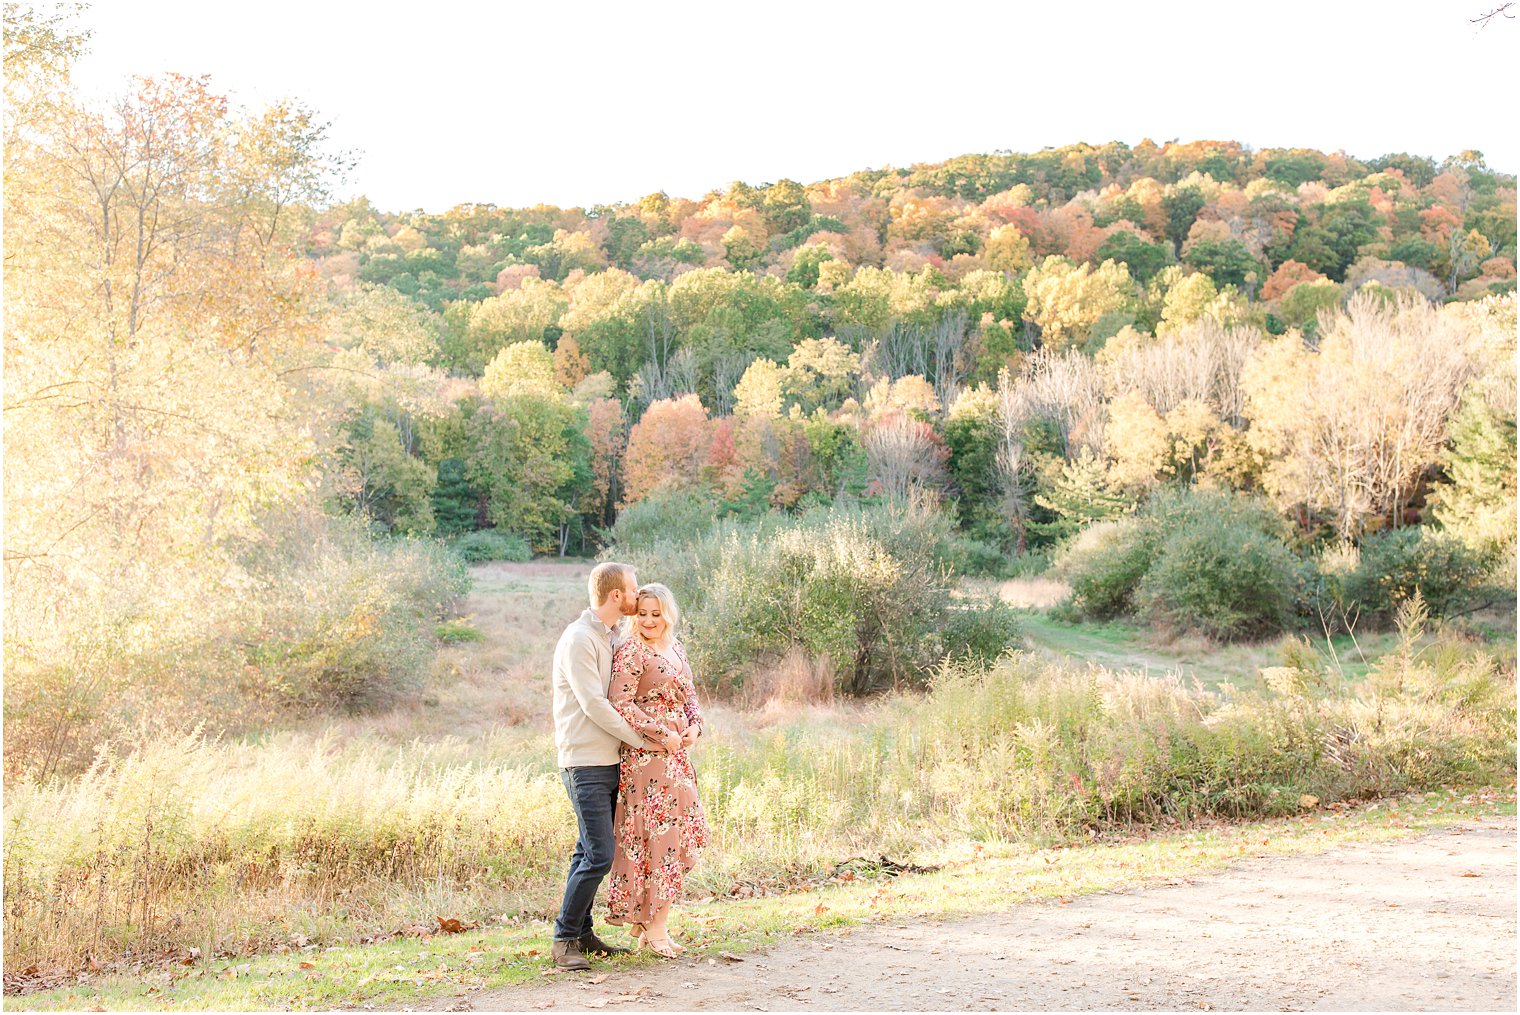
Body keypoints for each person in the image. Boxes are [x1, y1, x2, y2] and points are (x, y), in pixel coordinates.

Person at [551, 562, 680, 971]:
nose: (637, 594)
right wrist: (642, 738)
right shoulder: (579, 639)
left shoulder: (608, 637)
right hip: (584, 761)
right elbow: (594, 704)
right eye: (632, 589)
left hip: (610, 761)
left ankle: (583, 933)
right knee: (600, 855)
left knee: (585, 850)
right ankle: (563, 939)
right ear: (615, 596)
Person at [604, 582, 710, 958]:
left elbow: (691, 693)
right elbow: (620, 702)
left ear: (668, 614)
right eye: (643, 613)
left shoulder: (674, 647)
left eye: (656, 613)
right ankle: (656, 927)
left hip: (677, 756)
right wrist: (662, 732)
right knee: (658, 840)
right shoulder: (632, 650)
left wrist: (695, 725)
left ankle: (650, 922)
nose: (649, 620)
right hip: (647, 756)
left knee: (683, 834)